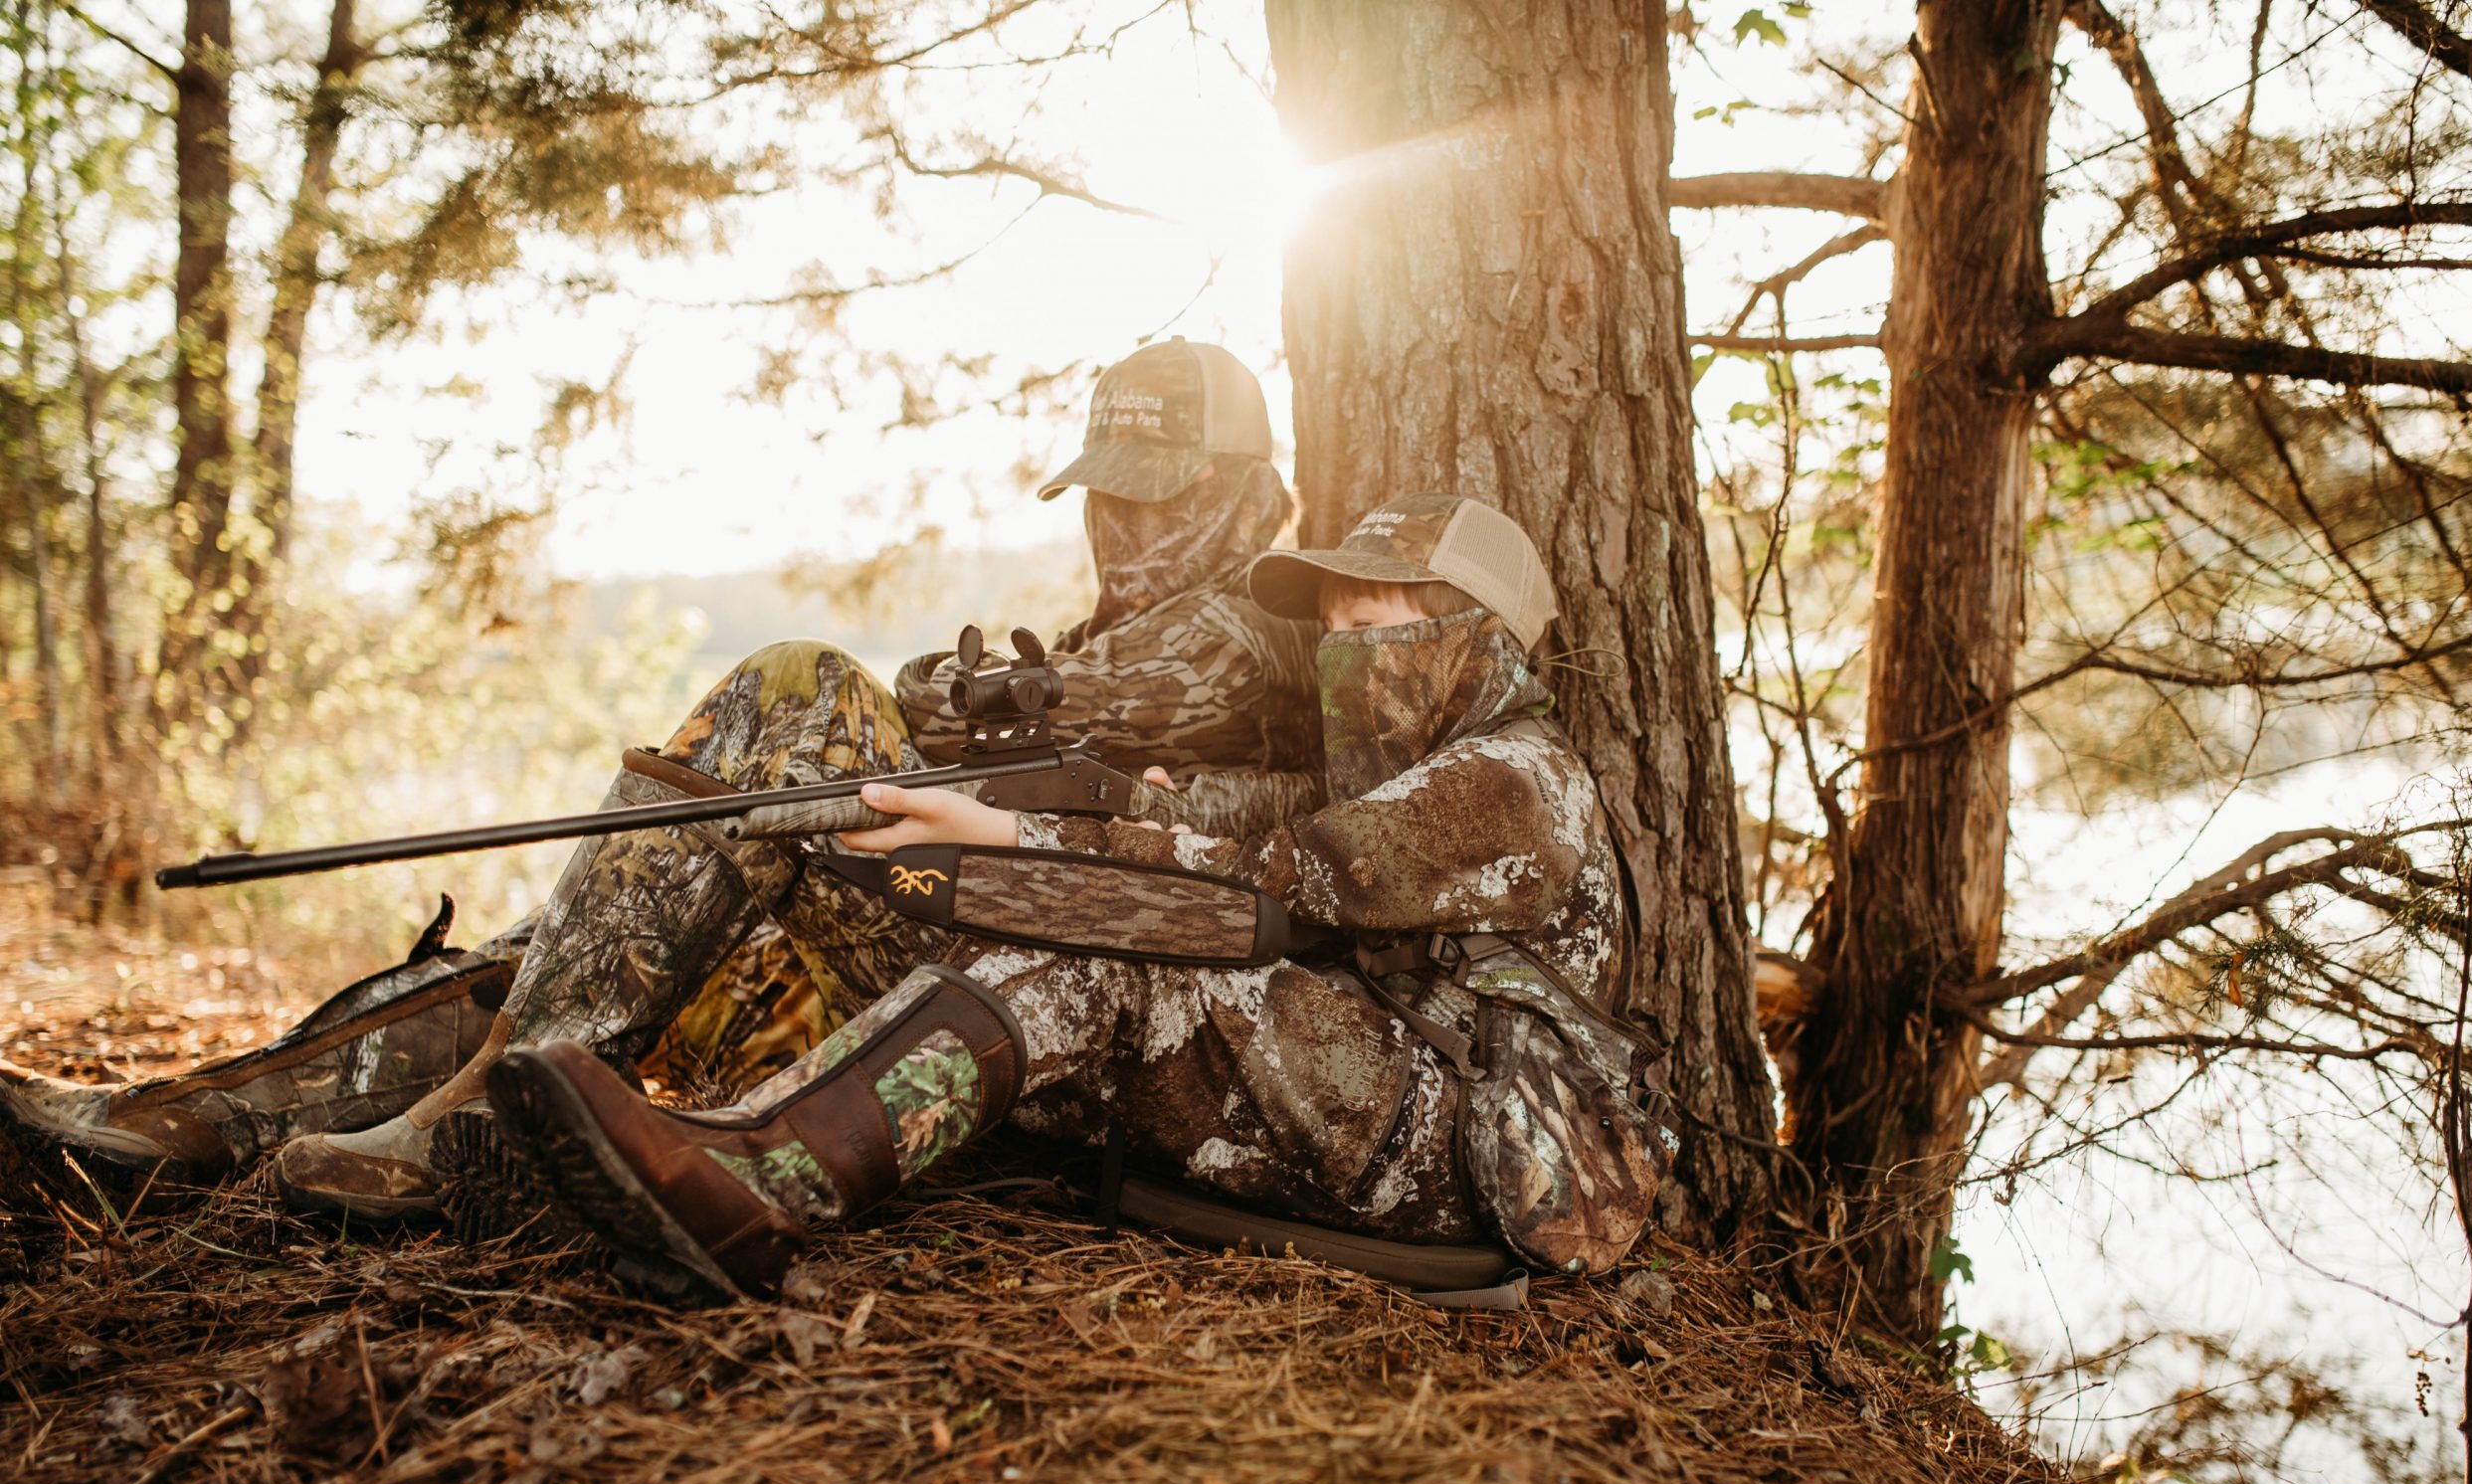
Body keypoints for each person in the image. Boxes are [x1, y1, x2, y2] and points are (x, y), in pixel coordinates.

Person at [1, 338, 1320, 1230]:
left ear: (1249, 494)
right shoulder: (1114, 636)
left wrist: (916, 720)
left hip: (1045, 1013)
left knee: (798, 681)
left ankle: (480, 1127)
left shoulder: (1252, 632)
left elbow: (1034, 701)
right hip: (960, 958)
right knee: (591, 939)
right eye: (1113, 497)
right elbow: (989, 707)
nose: (1131, 527)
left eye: (1169, 497)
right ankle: (192, 1125)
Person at [459, 492, 1676, 1299]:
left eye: (1384, 613)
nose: (1348, 640)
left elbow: (1267, 887)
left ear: (1481, 635)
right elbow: (1213, 814)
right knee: (1104, 916)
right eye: (1337, 616)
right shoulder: (1399, 775)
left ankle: (768, 1179)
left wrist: (1007, 835)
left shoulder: (1515, 782)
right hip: (1382, 1087)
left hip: (1475, 1151)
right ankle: (705, 1145)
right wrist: (1043, 809)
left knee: (1122, 948)